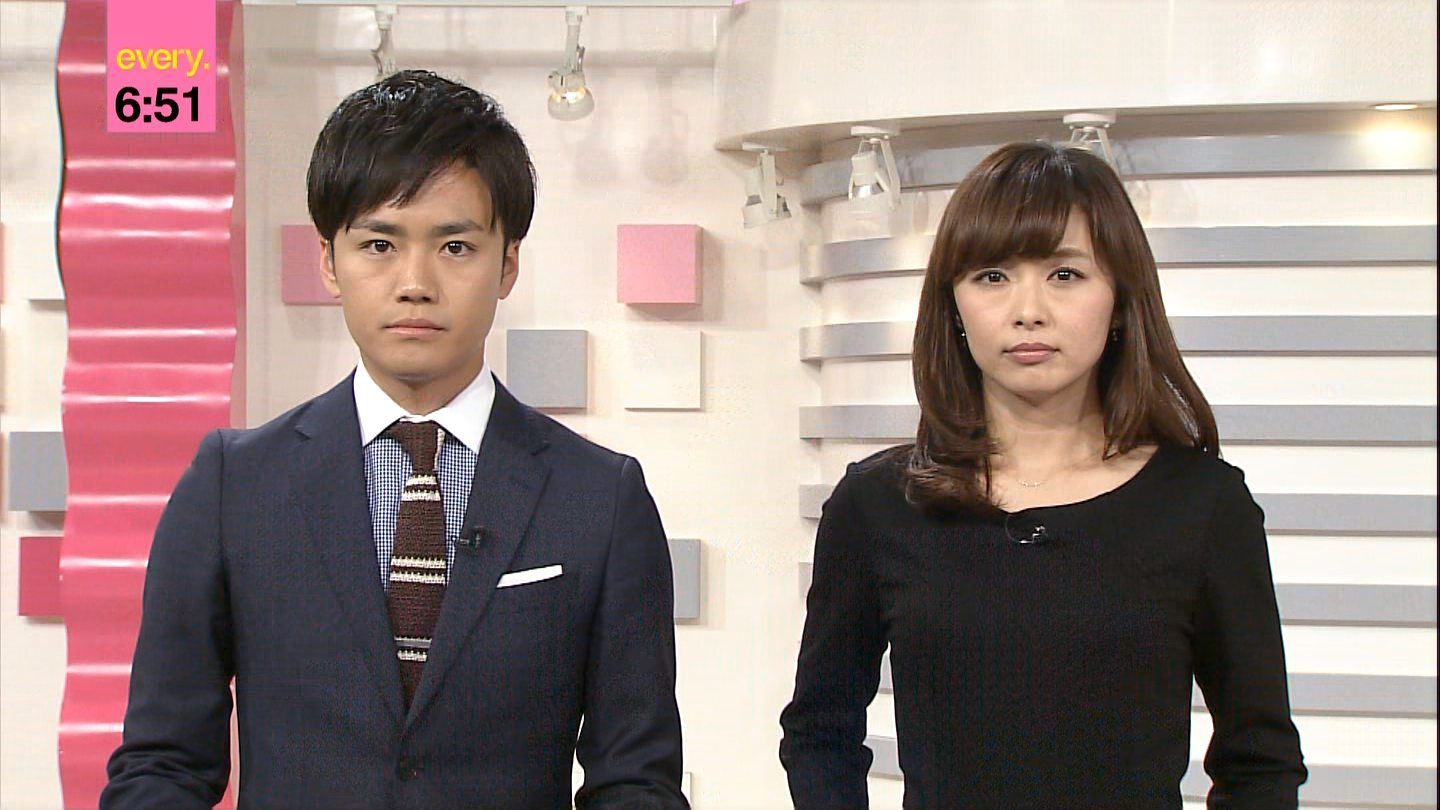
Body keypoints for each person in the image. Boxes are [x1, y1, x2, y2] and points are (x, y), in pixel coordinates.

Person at [102, 70, 687, 810]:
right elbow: (162, 763)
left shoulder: (598, 497)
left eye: (455, 247)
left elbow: (635, 780)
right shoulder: (234, 484)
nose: (415, 283)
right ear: (329, 261)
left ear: (507, 264)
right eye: (379, 244)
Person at [779, 141, 1306, 807]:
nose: (1028, 309)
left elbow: (1259, 760)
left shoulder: (1203, 504)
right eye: (992, 276)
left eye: (1064, 274)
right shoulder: (878, 503)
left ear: (1120, 298)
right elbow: (820, 731)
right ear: (953, 305)